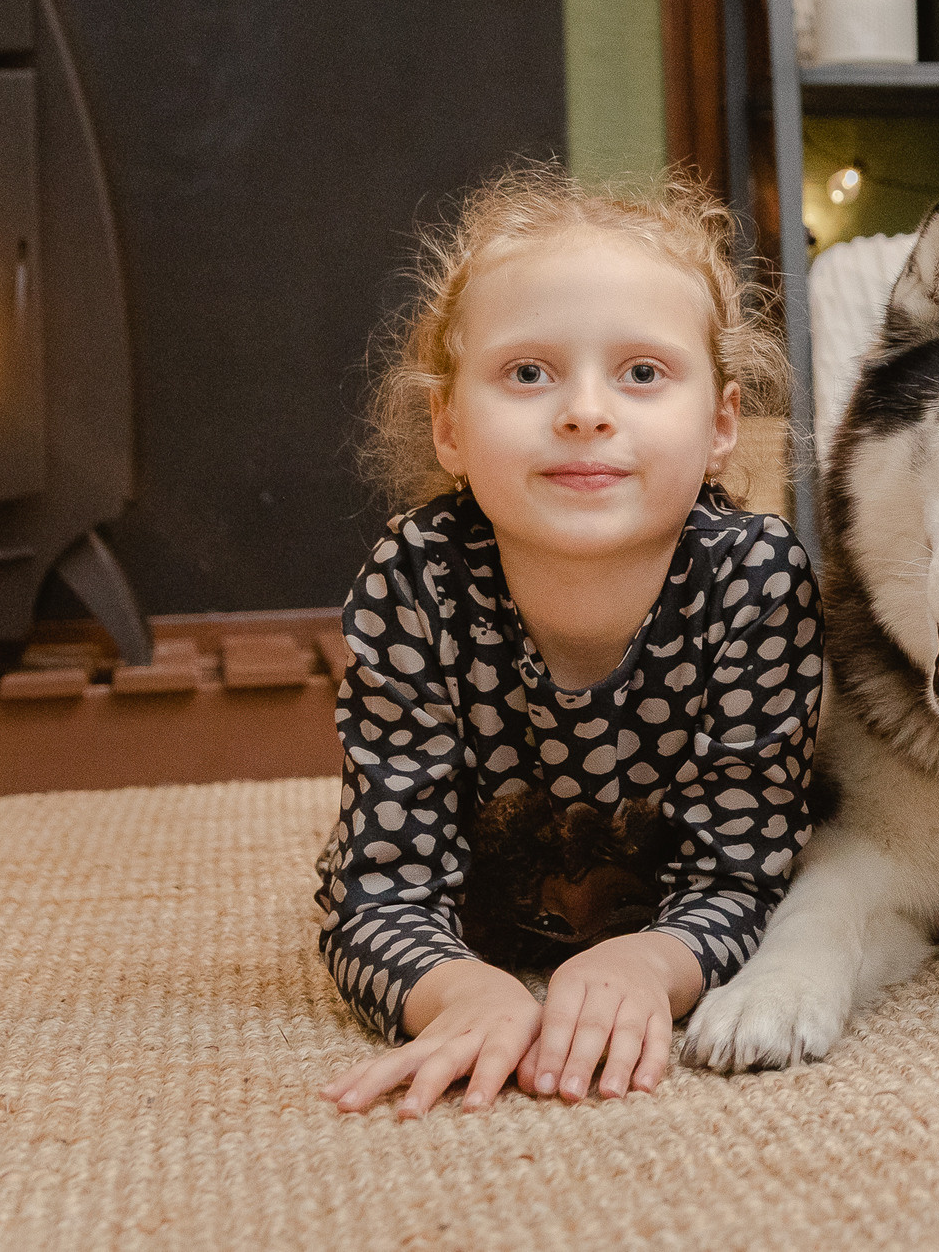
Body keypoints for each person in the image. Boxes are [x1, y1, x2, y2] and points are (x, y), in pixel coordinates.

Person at [315, 165, 822, 1116]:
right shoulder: (415, 578)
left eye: (641, 372)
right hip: (483, 918)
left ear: (720, 424)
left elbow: (753, 872)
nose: (586, 411)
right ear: (449, 424)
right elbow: (376, 889)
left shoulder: (757, 580)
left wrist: (653, 963)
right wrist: (458, 990)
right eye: (528, 371)